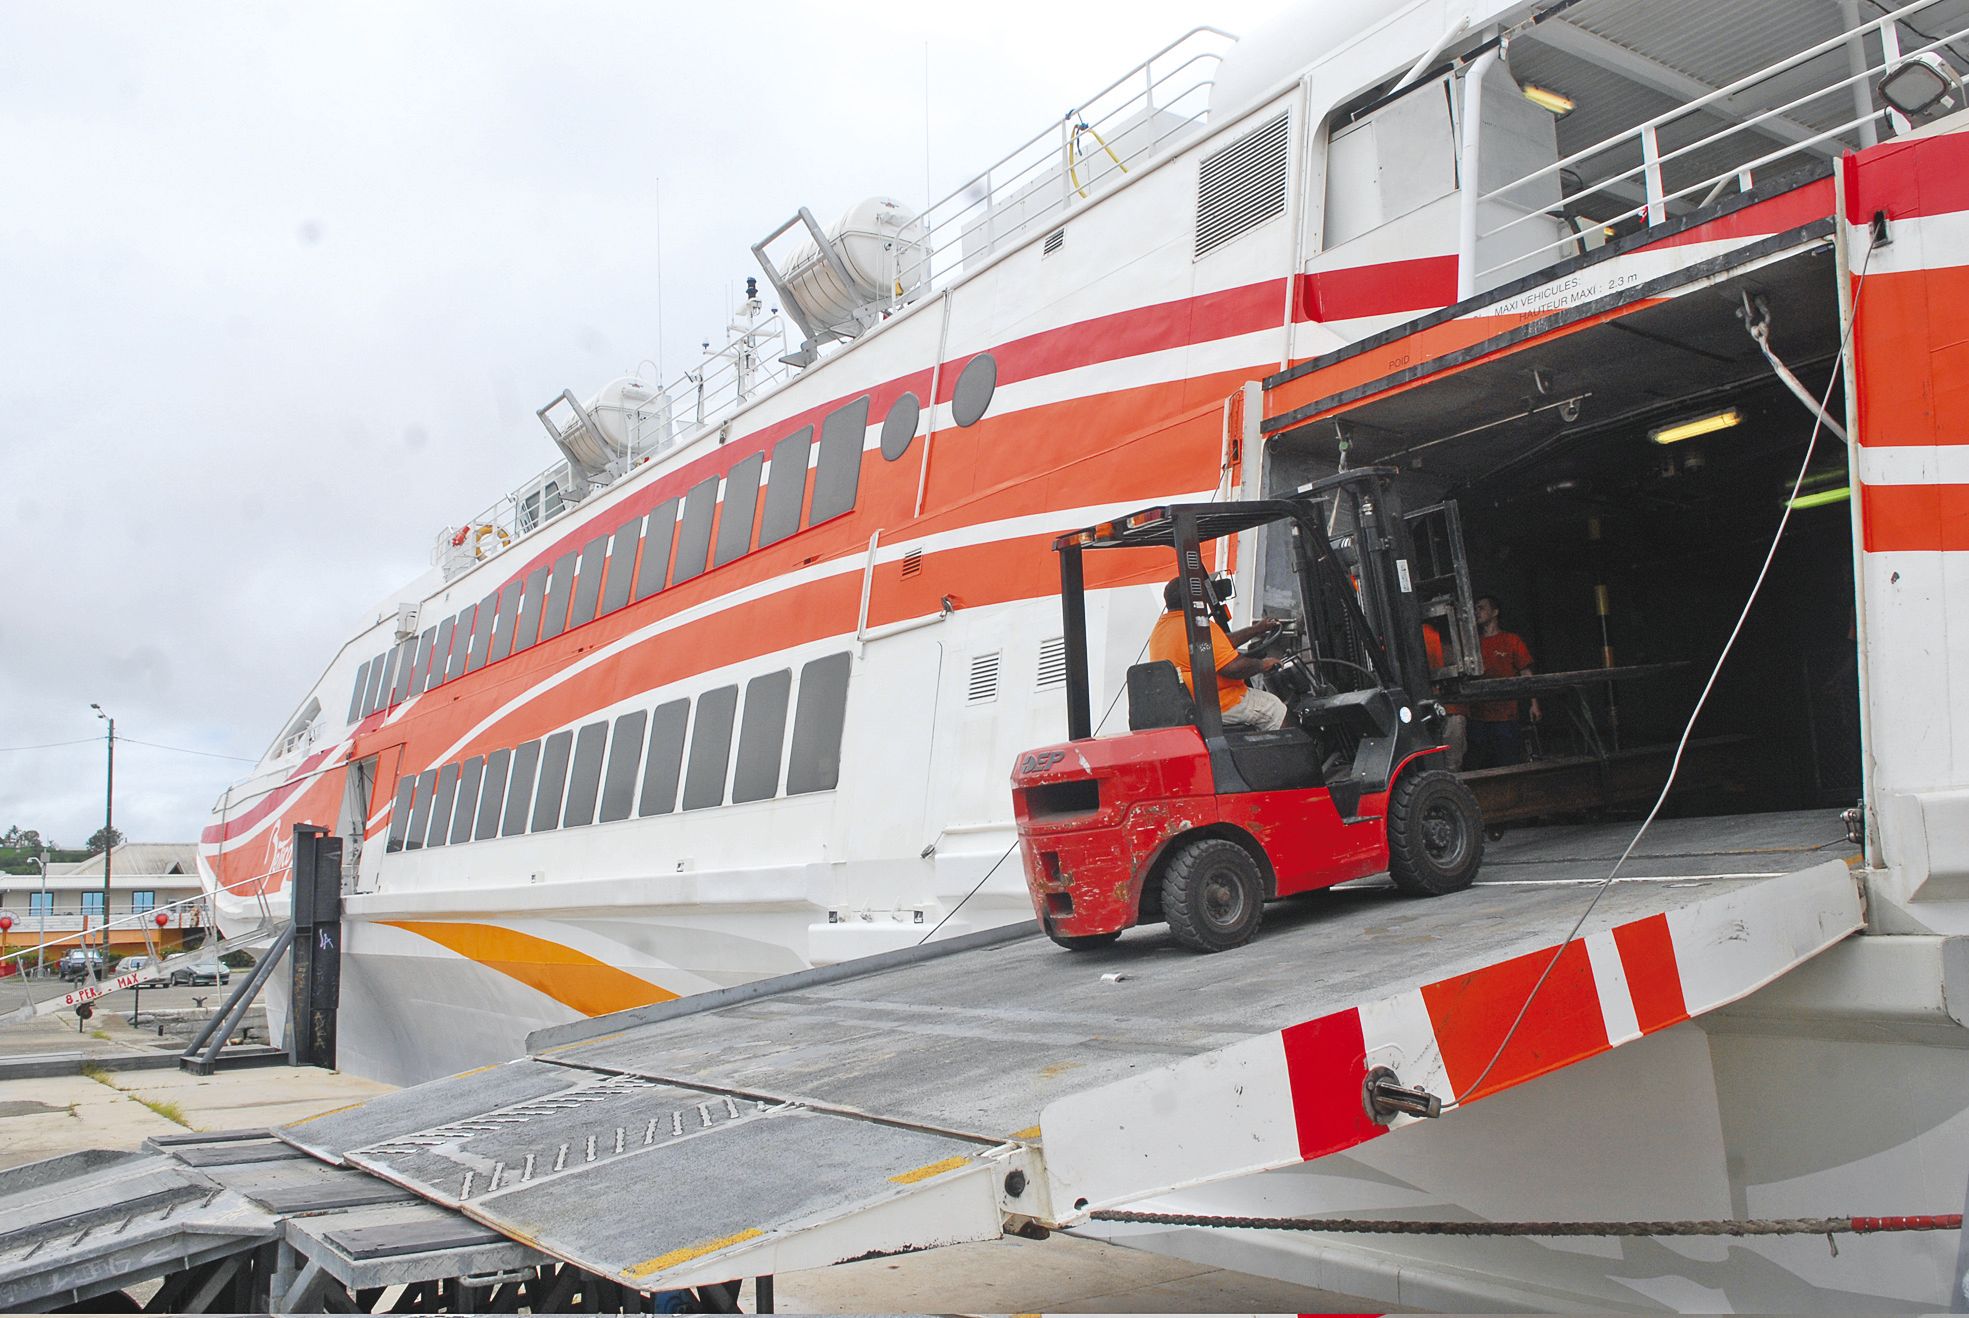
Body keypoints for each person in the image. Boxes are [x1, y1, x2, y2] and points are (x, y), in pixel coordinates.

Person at [1148, 577, 1288, 731]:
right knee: (1273, 708)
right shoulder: (1197, 626)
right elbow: (1234, 668)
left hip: (1187, 706)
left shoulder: (1164, 627)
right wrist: (1263, 664)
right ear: (1194, 598)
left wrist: (1257, 629)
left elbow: (1217, 643)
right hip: (1216, 703)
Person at [1466, 594, 1538, 768]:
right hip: (1478, 715)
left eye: (1481, 608)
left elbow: (1526, 673)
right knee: (1481, 764)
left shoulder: (1511, 640)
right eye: (1475, 608)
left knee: (1508, 761)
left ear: (1495, 612)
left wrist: (1534, 704)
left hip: (1506, 715)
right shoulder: (1472, 643)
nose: (1477, 612)